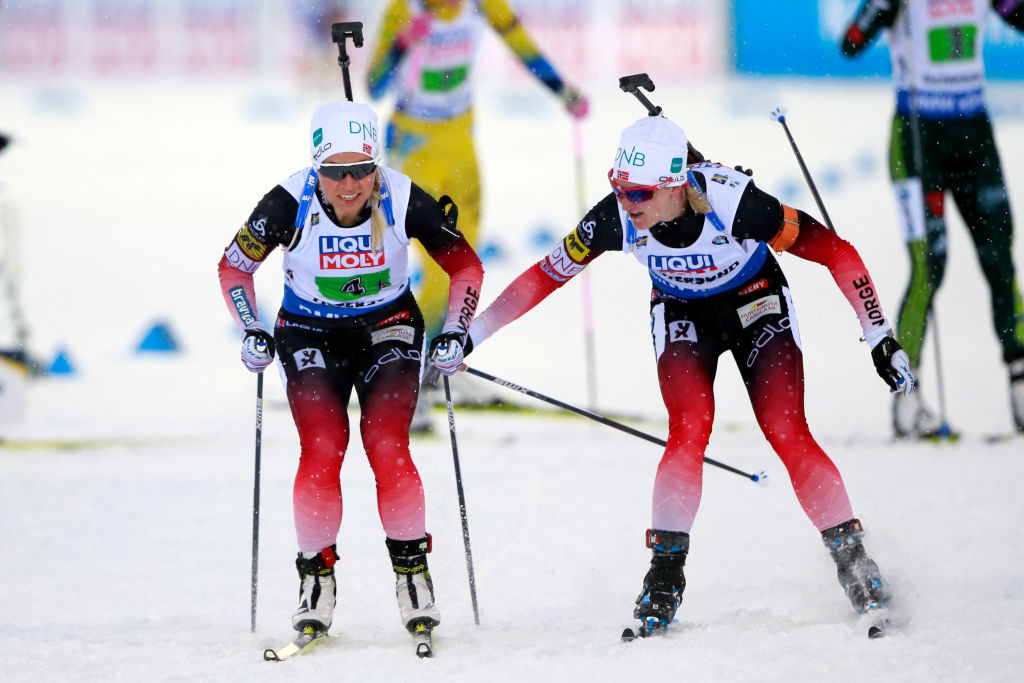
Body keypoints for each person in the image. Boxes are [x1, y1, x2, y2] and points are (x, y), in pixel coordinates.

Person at [464, 114, 915, 635]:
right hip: (682, 311)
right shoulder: (615, 217)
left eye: (639, 194)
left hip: (756, 302)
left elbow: (838, 253)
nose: (627, 205)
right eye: (620, 190)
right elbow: (545, 275)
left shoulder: (739, 204)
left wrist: (879, 335)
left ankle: (853, 560)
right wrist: (474, 334)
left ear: (676, 185)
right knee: (688, 428)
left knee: (786, 430)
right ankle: (663, 575)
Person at [217, 100, 483, 643]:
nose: (349, 185)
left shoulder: (402, 195)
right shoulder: (287, 202)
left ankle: (413, 575)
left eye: (362, 170)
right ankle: (316, 580)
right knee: (322, 445)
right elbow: (233, 266)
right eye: (334, 172)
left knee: (386, 442)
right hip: (308, 331)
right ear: (316, 169)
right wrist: (250, 327)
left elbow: (465, 265)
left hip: (389, 327)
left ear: (376, 166)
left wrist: (456, 328)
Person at [840, 0, 1024, 436]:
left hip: (973, 135)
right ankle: (907, 397)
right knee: (928, 269)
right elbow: (850, 43)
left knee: (1000, 260)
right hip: (919, 138)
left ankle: (1019, 382)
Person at [367, 0, 588, 353]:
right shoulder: (404, 9)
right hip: (415, 144)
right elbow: (375, 86)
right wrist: (403, 43)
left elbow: (522, 47)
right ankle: (410, 366)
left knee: (466, 265)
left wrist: (562, 90)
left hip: (459, 140)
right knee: (440, 267)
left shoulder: (482, 5)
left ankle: (442, 360)